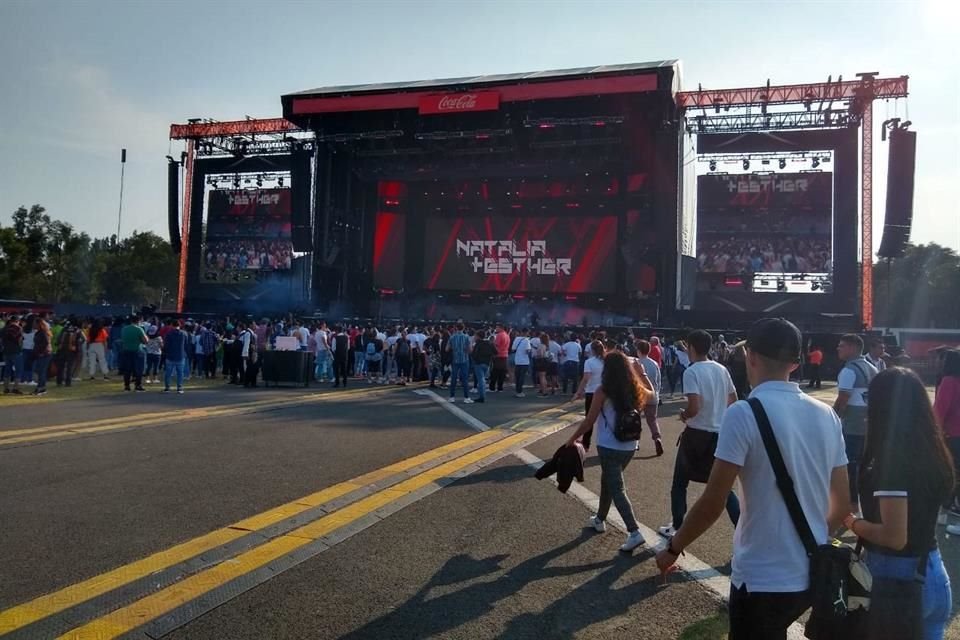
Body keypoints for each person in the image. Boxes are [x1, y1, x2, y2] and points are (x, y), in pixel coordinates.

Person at [656, 318, 850, 640]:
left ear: (752, 357)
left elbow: (713, 502)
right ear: (797, 362)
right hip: (811, 571)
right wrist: (808, 538)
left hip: (760, 577)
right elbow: (842, 502)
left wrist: (673, 547)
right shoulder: (825, 413)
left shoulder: (744, 413)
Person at [844, 367, 954, 640]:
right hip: (932, 569)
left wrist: (852, 522)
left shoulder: (891, 459)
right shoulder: (933, 450)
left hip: (896, 578)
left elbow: (894, 537)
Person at [564, 350, 649, 553]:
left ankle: (634, 532)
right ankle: (600, 519)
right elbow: (652, 395)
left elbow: (589, 420)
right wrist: (642, 374)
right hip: (630, 445)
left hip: (609, 445)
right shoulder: (635, 388)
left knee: (617, 487)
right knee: (608, 482)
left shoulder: (603, 390)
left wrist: (571, 439)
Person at [659, 330, 740, 538]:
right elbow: (734, 400)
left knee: (680, 483)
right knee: (722, 487)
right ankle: (742, 530)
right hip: (719, 434)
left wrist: (684, 415)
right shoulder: (722, 369)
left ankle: (677, 527)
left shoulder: (692, 371)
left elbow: (694, 407)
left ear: (691, 347)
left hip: (697, 435)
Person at [834, 333, 879, 508]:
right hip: (869, 425)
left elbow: (843, 398)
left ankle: (851, 504)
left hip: (852, 426)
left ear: (852, 348)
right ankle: (865, 503)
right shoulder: (872, 368)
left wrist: (833, 418)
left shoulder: (848, 370)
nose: (838, 348)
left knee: (850, 465)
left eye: (842, 345)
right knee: (866, 464)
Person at [935, 350, 960, 518]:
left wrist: (933, 433)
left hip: (953, 434)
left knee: (950, 471)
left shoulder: (949, 381)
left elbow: (939, 411)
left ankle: (949, 504)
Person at [573, 340, 606, 451]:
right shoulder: (607, 361)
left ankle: (586, 443)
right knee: (606, 417)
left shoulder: (589, 362)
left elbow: (586, 378)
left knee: (589, 419)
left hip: (592, 392)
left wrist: (579, 392)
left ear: (592, 350)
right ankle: (607, 441)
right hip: (606, 391)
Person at [635, 340, 664, 456]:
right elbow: (658, 381)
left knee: (635, 419)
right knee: (652, 420)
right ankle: (657, 438)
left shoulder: (635, 363)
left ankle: (635, 442)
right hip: (652, 395)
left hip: (639, 396)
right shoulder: (654, 363)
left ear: (638, 350)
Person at [119, 314, 148, 392]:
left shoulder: (124, 329)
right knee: (139, 369)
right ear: (138, 321)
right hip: (137, 350)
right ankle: (138, 385)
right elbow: (145, 341)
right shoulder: (139, 329)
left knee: (127, 369)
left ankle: (127, 386)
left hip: (126, 350)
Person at [447, 323, 473, 404]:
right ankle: (466, 397)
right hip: (464, 359)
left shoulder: (452, 337)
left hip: (455, 359)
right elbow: (470, 350)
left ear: (456, 328)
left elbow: (447, 349)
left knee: (453, 378)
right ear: (463, 328)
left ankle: (452, 397)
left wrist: (454, 348)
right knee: (465, 379)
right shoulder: (466, 337)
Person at [162, 319, 188, 393]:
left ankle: (167, 388)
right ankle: (179, 388)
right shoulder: (184, 334)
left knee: (168, 373)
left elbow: (166, 345)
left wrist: (165, 352)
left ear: (172, 325)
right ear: (179, 325)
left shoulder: (168, 334)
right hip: (180, 355)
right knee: (180, 373)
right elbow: (186, 344)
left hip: (170, 355)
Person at [471, 329, 495, 403]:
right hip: (487, 363)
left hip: (478, 363)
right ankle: (482, 395)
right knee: (482, 379)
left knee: (481, 380)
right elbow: (496, 352)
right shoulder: (489, 343)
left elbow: (473, 354)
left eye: (475, 336)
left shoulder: (478, 344)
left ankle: (482, 396)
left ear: (478, 336)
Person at [31, 315, 53, 396]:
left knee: (41, 371)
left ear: (39, 324)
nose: (33, 325)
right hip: (41, 354)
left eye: (34, 323)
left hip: (44, 354)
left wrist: (41, 352)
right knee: (39, 371)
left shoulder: (43, 333)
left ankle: (41, 388)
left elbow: (46, 343)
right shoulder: (39, 332)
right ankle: (41, 387)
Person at [2, 316, 23, 395]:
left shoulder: (4, 329)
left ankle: (6, 388)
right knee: (18, 370)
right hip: (16, 351)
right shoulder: (18, 328)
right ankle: (15, 388)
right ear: (17, 321)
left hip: (6, 352)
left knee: (7, 370)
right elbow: (20, 341)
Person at [512, 328, 532, 398]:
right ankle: (520, 391)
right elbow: (527, 351)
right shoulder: (527, 340)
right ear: (526, 332)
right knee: (522, 377)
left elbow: (513, 349)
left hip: (517, 360)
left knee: (517, 376)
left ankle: (517, 390)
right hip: (524, 361)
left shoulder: (516, 339)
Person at [490, 324, 511, 393]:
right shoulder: (507, 335)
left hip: (498, 355)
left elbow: (496, 345)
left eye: (497, 327)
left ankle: (492, 387)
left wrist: (492, 344)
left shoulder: (499, 335)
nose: (496, 329)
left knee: (495, 372)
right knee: (502, 372)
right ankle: (500, 387)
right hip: (505, 355)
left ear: (501, 328)